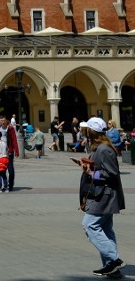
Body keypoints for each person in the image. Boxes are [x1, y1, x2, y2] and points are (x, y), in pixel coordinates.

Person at [78, 117, 125, 277]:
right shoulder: (99, 148)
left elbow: (112, 173)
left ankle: (114, 259)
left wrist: (92, 173)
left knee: (89, 225)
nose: (84, 133)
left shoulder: (104, 149)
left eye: (86, 130)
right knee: (105, 229)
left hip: (104, 195)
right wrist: (87, 166)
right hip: (102, 194)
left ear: (92, 132)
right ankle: (111, 268)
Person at [0, 116, 19, 192]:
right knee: (1, 169)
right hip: (0, 152)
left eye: (3, 120)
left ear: (6, 121)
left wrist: (16, 150)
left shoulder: (10, 129)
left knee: (10, 169)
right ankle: (3, 185)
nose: (2, 122)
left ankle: (10, 185)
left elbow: (14, 140)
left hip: (9, 151)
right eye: (1, 120)